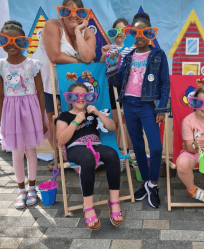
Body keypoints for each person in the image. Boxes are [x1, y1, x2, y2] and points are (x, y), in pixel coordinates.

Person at [106, 12, 170, 209]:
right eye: (136, 32)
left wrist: (161, 108)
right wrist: (111, 63)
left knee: (156, 147)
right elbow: (116, 82)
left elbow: (165, 83)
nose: (140, 36)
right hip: (129, 105)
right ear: (132, 33)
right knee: (138, 148)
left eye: (145, 32)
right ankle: (145, 183)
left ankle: (153, 184)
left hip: (148, 106)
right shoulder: (128, 55)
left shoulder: (158, 55)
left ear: (150, 33)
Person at [32, 0, 96, 170]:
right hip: (48, 82)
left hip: (72, 84)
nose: (73, 16)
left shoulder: (86, 31)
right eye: (67, 11)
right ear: (61, 12)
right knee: (53, 119)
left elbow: (89, 57)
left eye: (78, 12)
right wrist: (80, 63)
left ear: (84, 14)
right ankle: (58, 156)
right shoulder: (53, 25)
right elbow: (55, 55)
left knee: (73, 118)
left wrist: (77, 32)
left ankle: (73, 153)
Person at [0, 21, 48, 209]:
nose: (11, 44)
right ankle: (21, 190)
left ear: (23, 42)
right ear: (1, 41)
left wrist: (42, 117)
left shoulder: (33, 65)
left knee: (30, 150)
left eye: (16, 40)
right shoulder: (0, 66)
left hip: (31, 111)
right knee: (16, 152)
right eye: (6, 39)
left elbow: (40, 93)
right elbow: (0, 95)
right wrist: (2, 121)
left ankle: (32, 187)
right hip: (11, 113)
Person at [55, 83, 122, 229]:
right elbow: (60, 140)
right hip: (75, 148)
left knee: (112, 154)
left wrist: (98, 113)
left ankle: (114, 202)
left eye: (85, 96)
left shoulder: (92, 113)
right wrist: (75, 121)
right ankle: (88, 207)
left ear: (89, 97)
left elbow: (112, 127)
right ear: (69, 98)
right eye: (75, 96)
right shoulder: (64, 116)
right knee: (87, 159)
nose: (80, 99)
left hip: (96, 145)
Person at [99, 18, 133, 151]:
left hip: (130, 87)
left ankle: (131, 152)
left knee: (130, 120)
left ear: (128, 32)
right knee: (115, 120)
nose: (120, 33)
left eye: (123, 30)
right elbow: (101, 66)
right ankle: (116, 151)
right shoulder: (110, 48)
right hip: (113, 87)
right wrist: (104, 55)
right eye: (116, 30)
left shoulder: (134, 47)